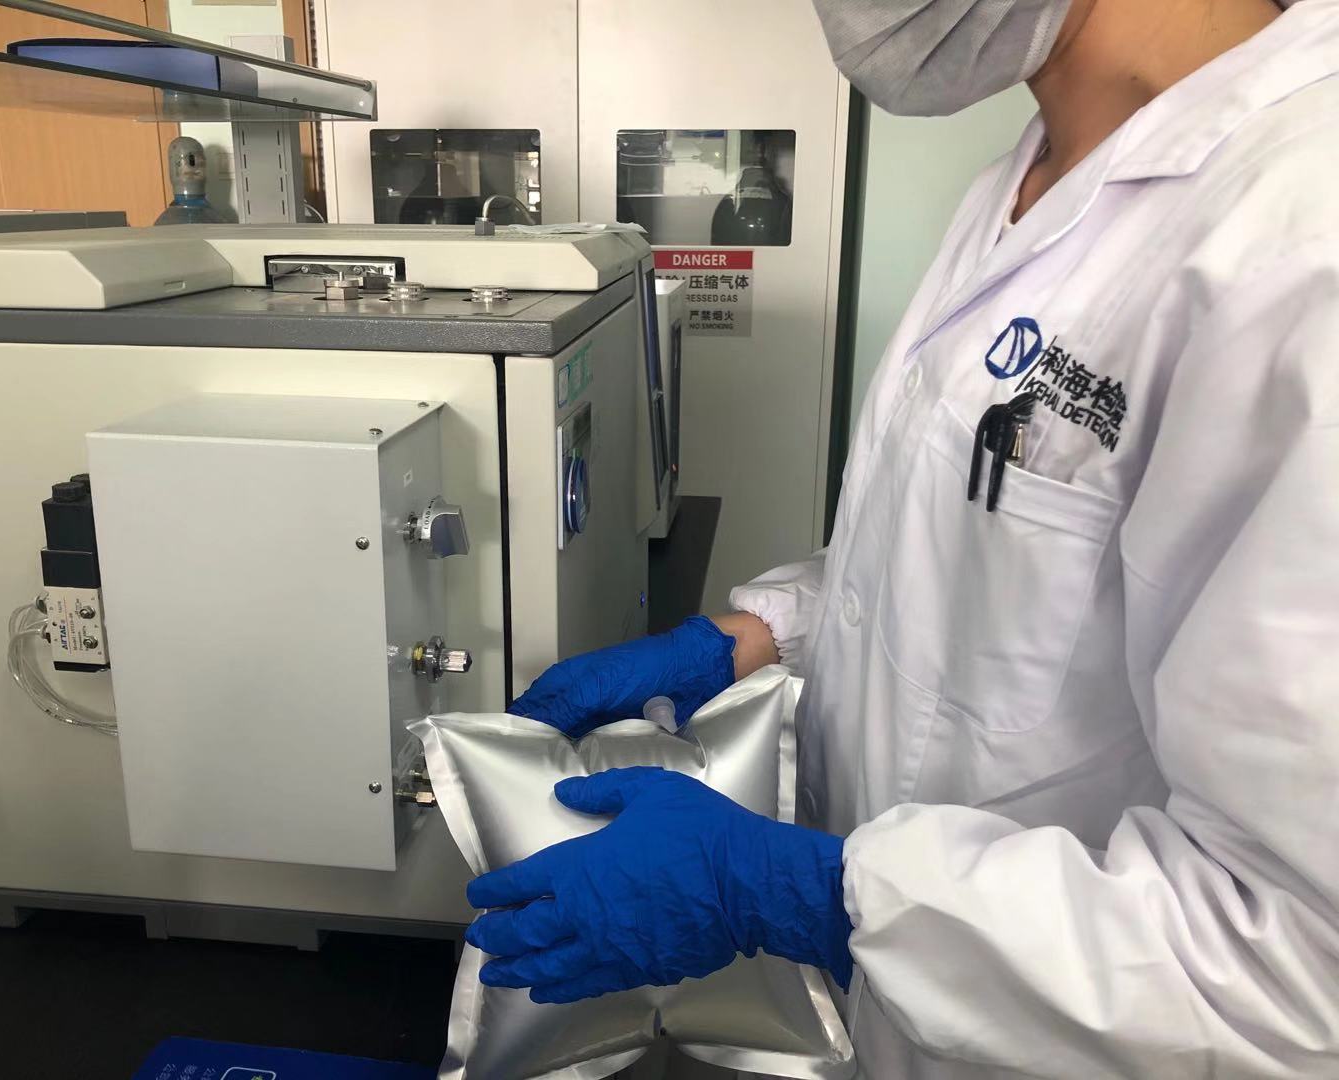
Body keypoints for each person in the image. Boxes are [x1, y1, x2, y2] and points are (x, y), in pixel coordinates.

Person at [465, 0, 1339, 1075]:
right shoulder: (1022, 183)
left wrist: (805, 894)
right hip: (900, 1028)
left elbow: (1295, 972)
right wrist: (747, 639)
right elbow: (966, 562)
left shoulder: (1305, 238)